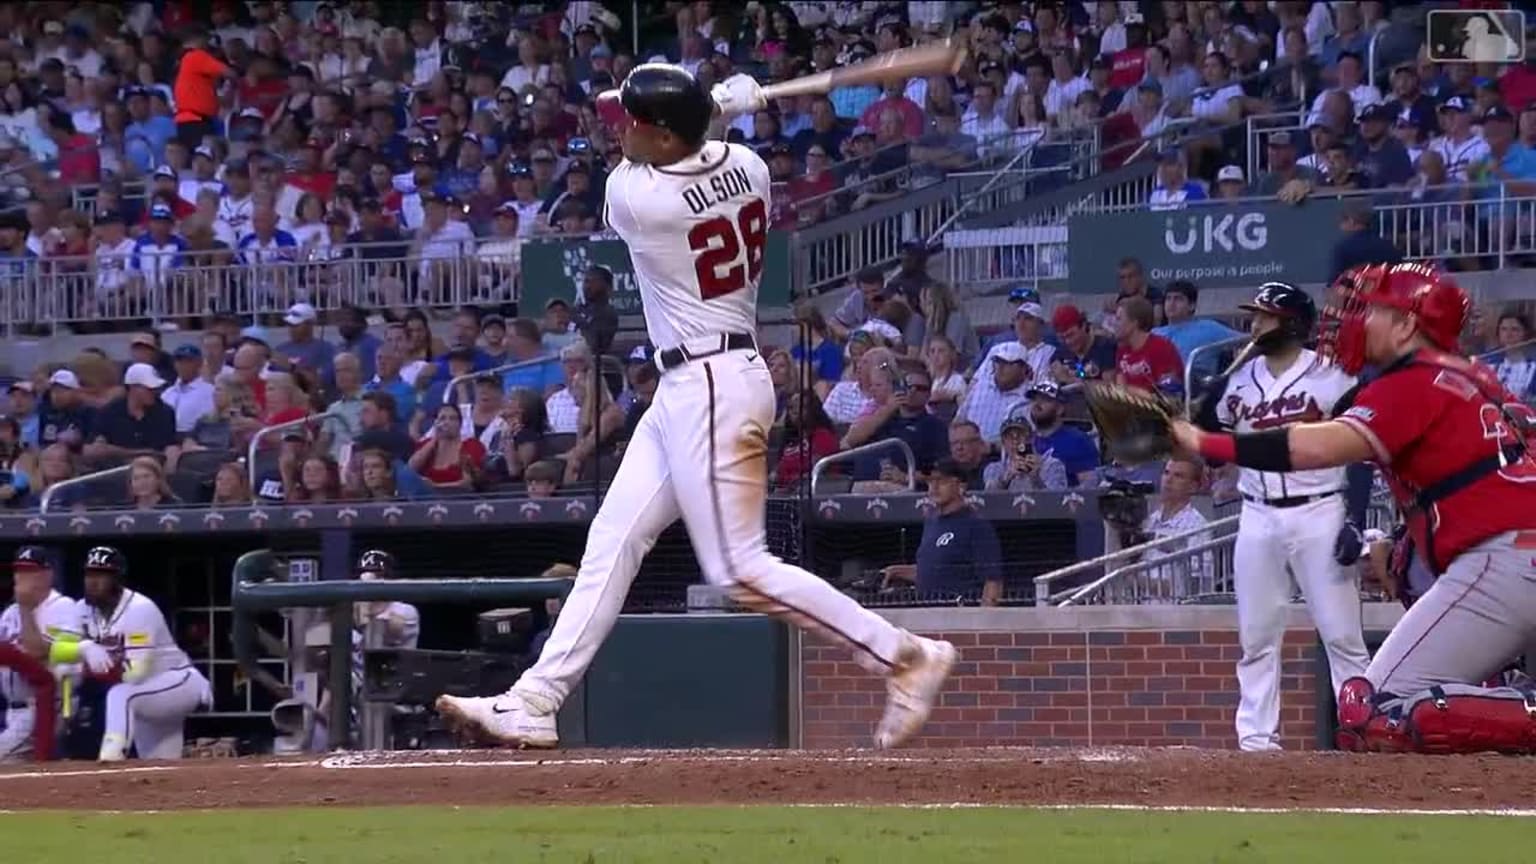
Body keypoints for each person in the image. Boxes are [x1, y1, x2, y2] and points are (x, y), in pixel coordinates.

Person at [436, 64, 955, 750]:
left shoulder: (640, 201)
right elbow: (695, 144)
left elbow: (654, 153)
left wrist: (712, 111)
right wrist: (719, 117)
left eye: (633, 122)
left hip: (713, 387)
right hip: (696, 382)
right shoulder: (749, 164)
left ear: (661, 133)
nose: (620, 130)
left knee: (739, 568)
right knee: (612, 544)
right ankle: (535, 698)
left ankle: (903, 655)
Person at [1194, 281, 1370, 752]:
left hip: (1321, 509)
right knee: (1257, 635)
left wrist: (1354, 518)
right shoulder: (1239, 377)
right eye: (1256, 316)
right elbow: (1212, 457)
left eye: (1266, 317)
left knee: (1341, 634)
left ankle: (1365, 731)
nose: (1256, 325)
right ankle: (1255, 739)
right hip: (1257, 514)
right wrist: (1207, 407)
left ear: (1292, 323)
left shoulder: (1334, 374)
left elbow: (1363, 450)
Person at [48, 546, 211, 761]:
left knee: (121, 694)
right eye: (89, 574)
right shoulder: (82, 609)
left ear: (117, 579)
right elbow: (56, 652)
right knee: (158, 769)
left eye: (102, 575)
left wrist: (87, 667)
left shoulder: (139, 608)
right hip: (147, 696)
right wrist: (84, 648)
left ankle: (110, 759)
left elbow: (136, 673)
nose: (93, 581)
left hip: (177, 682)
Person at [880, 458, 1004, 605]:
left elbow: (993, 581)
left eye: (941, 481)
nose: (934, 487)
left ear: (961, 486)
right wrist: (896, 571)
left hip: (959, 616)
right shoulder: (931, 522)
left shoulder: (976, 525)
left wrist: (982, 624)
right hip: (928, 614)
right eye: (930, 481)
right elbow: (932, 569)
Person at [0, 546, 80, 762]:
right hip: (13, 710)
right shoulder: (9, 613)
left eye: (29, 571)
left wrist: (26, 610)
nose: (21, 578)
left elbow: (37, 652)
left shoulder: (63, 607)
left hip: (48, 706)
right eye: (18, 571)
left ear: (47, 575)